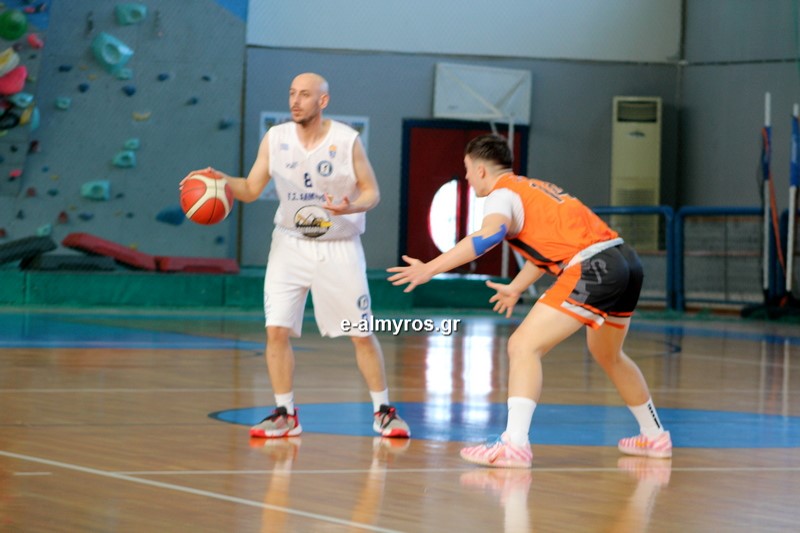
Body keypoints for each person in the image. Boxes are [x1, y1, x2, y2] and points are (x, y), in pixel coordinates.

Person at [387, 133, 670, 468]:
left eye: (467, 169)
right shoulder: (535, 188)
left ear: (480, 170)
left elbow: (488, 236)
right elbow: (548, 250)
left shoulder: (500, 194)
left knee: (522, 346)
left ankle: (514, 444)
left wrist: (430, 268)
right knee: (608, 354)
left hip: (593, 266)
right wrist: (516, 287)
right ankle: (654, 436)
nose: (466, 177)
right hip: (625, 261)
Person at [186, 72, 409, 439]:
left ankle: (384, 411)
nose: (295, 101)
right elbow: (250, 188)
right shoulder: (275, 138)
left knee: (360, 332)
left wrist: (352, 205)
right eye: (292, 93)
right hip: (289, 244)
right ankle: (285, 414)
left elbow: (372, 191)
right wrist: (221, 180)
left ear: (323, 101)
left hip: (338, 245)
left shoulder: (347, 141)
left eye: (305, 94)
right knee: (276, 329)